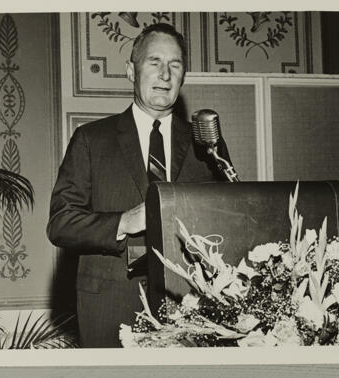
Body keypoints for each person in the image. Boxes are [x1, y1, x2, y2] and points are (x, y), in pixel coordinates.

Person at [47, 23, 225, 348]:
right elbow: (61, 223)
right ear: (131, 70)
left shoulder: (204, 142)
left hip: (191, 306)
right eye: (154, 62)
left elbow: (226, 218)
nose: (165, 75)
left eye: (175, 65)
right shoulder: (91, 140)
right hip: (111, 308)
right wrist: (123, 222)